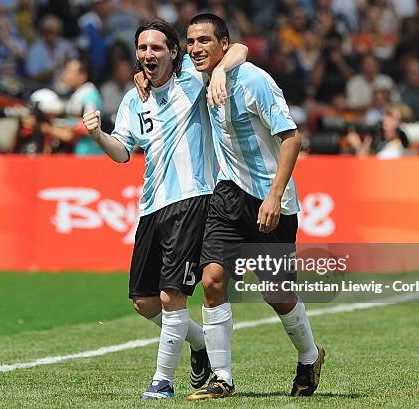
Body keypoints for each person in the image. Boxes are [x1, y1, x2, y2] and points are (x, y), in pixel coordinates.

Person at [82, 19, 248, 400]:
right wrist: (97, 135)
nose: (148, 54)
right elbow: (122, 152)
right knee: (144, 301)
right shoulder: (132, 99)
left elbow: (239, 50)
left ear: (175, 52)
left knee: (173, 294)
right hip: (151, 206)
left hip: (194, 197)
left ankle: (162, 380)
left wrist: (220, 69)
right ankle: (200, 343)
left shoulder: (192, 77)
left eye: (157, 47)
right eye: (142, 48)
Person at [183, 14, 325, 401]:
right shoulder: (195, 71)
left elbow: (292, 139)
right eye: (191, 41)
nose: (195, 48)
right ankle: (222, 378)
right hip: (228, 194)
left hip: (271, 198)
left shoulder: (255, 81)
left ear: (223, 45)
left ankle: (310, 356)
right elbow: (158, 61)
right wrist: (140, 76)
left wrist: (275, 196)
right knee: (211, 279)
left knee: (276, 293)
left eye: (205, 41)